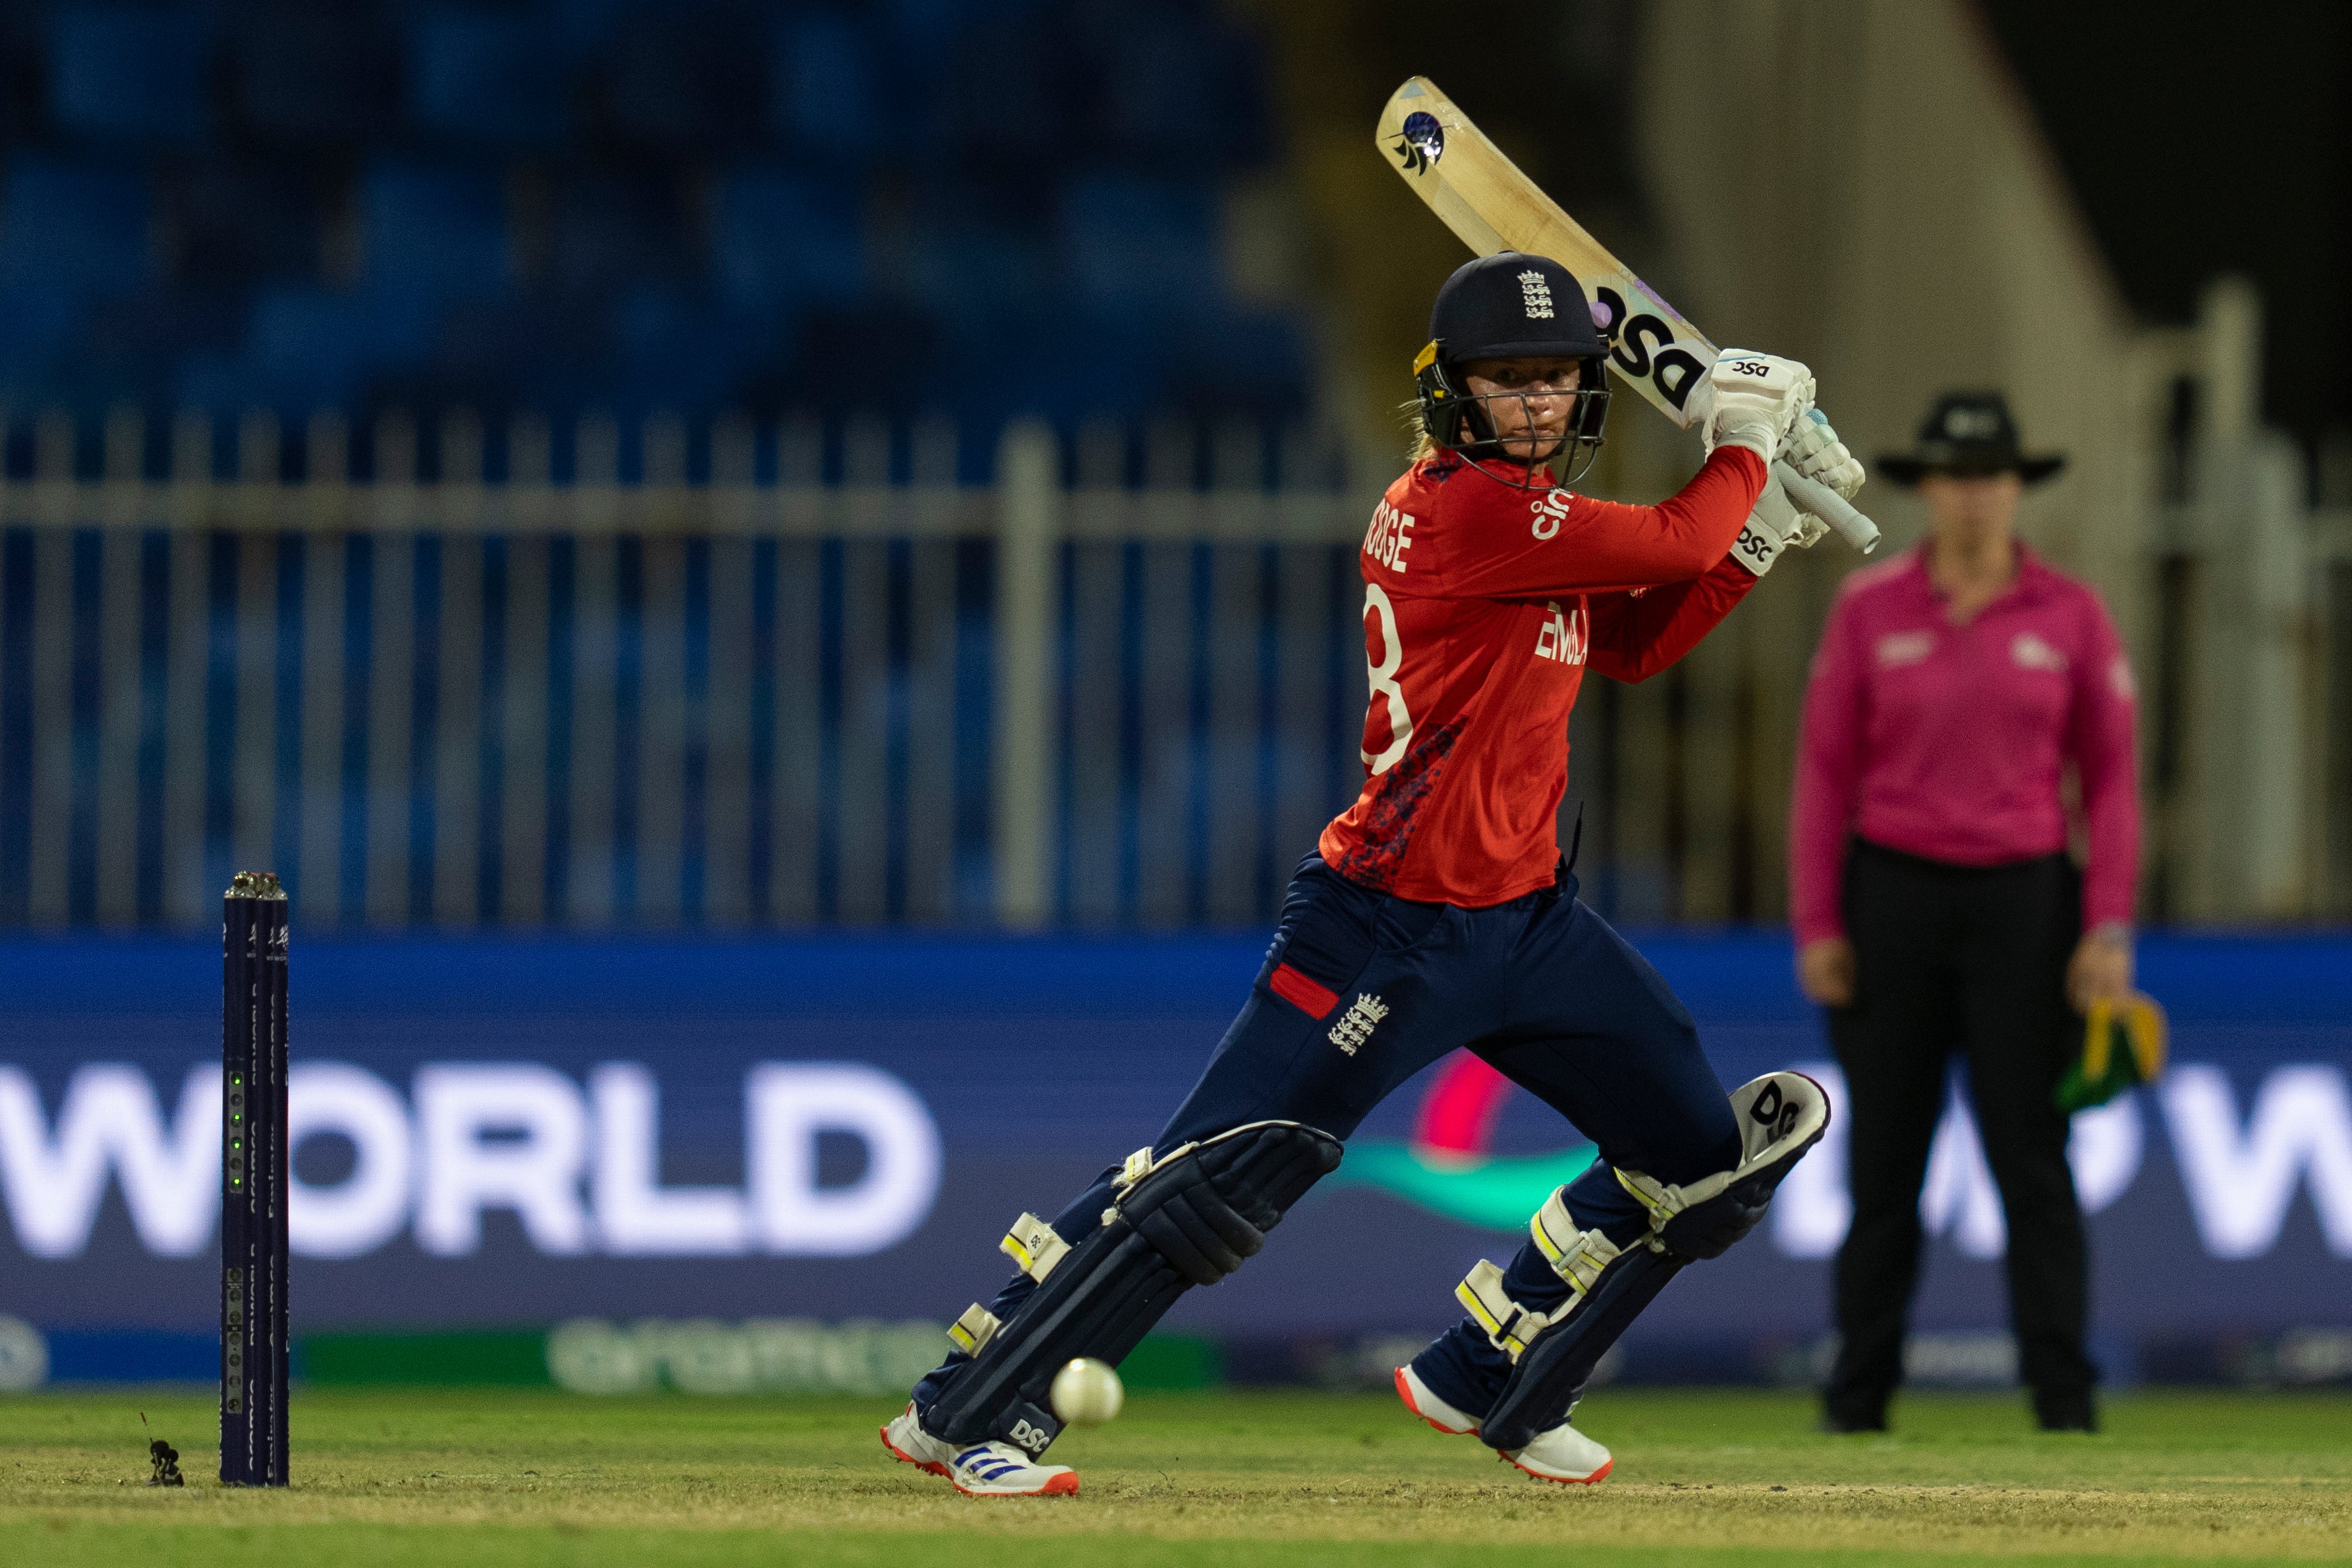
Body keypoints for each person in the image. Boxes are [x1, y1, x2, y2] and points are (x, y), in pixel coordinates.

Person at [880, 251, 1860, 1498]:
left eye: (1555, 382)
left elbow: (1629, 639)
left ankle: (1487, 1374)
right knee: (1220, 1175)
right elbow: (1671, 540)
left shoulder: (1530, 534)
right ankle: (974, 1412)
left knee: (1695, 1158)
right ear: (1449, 393)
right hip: (1382, 929)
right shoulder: (1464, 508)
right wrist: (1736, 444)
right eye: (1507, 385)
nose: (1536, 407)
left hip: (1526, 924)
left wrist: (1756, 523)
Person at [1790, 391, 2140, 1435]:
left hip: (2025, 906)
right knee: (1883, 1162)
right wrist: (1818, 923)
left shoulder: (2070, 614)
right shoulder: (1867, 608)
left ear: (2016, 487)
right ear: (1926, 487)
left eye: (1993, 474)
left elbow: (2111, 782)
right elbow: (1821, 774)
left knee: (2031, 1158)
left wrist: (2107, 923)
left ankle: (2062, 1402)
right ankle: (1856, 1402)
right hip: (1889, 896)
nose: (1977, 494)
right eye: (1958, 474)